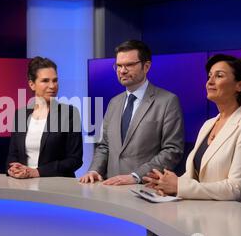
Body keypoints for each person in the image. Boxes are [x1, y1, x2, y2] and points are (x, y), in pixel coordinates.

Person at [143, 54, 241, 207]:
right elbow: (195, 177)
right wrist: (169, 185)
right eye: (209, 76)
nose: (210, 82)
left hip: (233, 220)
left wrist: (179, 186)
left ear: (240, 85)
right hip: (202, 214)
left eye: (219, 76)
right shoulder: (208, 124)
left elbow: (236, 188)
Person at [79, 40, 184, 185]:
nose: (122, 71)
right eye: (119, 66)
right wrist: (94, 170)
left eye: (129, 65)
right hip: (110, 189)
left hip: (145, 189)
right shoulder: (114, 103)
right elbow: (104, 146)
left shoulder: (167, 101)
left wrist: (136, 176)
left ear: (146, 66)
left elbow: (172, 150)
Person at [6, 56, 82, 178]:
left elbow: (75, 160)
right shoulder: (20, 115)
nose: (52, 86)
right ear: (32, 84)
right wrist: (12, 169)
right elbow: (12, 156)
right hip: (22, 186)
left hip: (56, 188)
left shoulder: (70, 114)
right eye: (45, 81)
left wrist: (37, 172)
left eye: (55, 80)